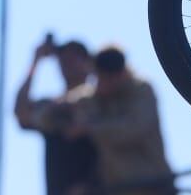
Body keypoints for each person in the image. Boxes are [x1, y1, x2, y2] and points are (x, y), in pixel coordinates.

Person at [64, 46, 174, 195]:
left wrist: (90, 128)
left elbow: (134, 128)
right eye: (99, 78)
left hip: (154, 185)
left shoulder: (141, 90)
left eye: (107, 78)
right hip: (119, 188)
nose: (103, 83)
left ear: (120, 74)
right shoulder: (94, 98)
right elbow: (55, 111)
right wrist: (60, 107)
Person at [14, 36, 99, 195]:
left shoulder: (102, 102)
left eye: (74, 58)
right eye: (64, 59)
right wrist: (36, 60)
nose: (68, 63)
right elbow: (22, 114)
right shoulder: (53, 109)